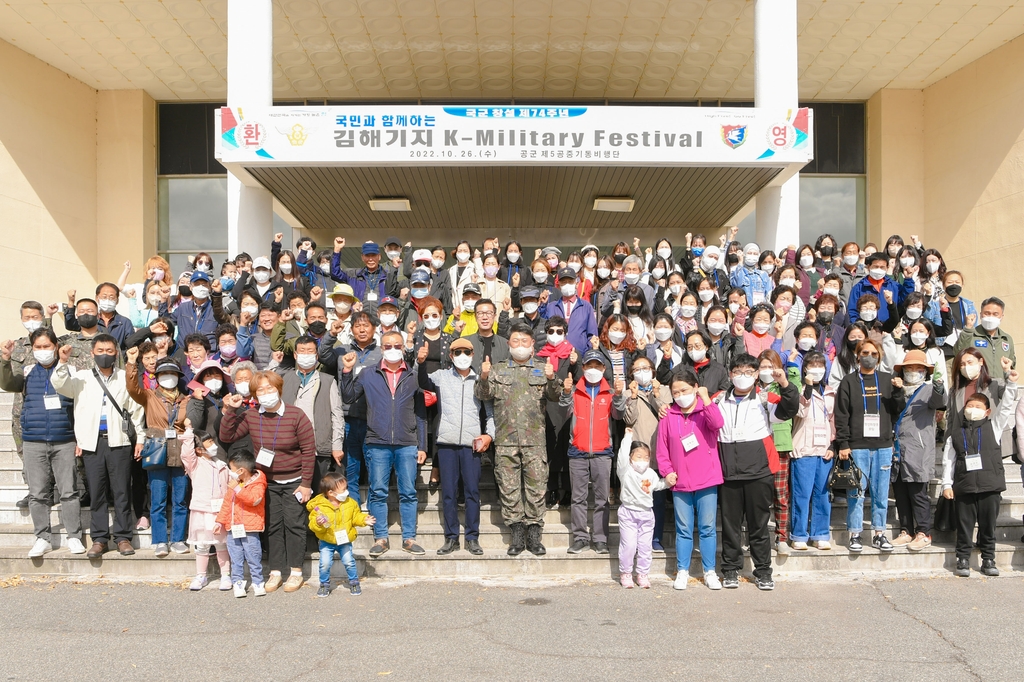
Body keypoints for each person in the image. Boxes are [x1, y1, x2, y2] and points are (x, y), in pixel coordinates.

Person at [220, 370, 317, 593]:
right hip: (265, 482)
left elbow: (308, 451)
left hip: (294, 480)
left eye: (269, 388)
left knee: (294, 525)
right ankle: (275, 572)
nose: (266, 393)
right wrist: (231, 411)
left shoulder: (296, 414)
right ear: (254, 394)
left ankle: (295, 572)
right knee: (272, 526)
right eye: (260, 390)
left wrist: (305, 483)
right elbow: (228, 436)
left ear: (279, 390)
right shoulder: (252, 415)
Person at [51, 334, 145, 559]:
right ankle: (100, 539)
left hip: (119, 441)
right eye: (100, 351)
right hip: (92, 443)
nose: (105, 355)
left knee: (122, 491)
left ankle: (123, 537)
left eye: (110, 351)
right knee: (97, 493)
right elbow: (60, 385)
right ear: (92, 353)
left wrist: (140, 438)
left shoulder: (125, 377)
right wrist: (62, 362)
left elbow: (136, 409)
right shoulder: (81, 377)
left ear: (116, 353)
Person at [714, 353, 799, 591]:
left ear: (756, 375)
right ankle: (730, 570)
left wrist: (784, 384)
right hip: (728, 473)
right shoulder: (718, 399)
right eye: (738, 372)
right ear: (730, 374)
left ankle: (763, 572)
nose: (743, 377)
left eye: (749, 372)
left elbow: (789, 408)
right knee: (730, 526)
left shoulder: (765, 398)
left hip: (759, 472)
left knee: (759, 526)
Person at [339, 330, 427, 558]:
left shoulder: (413, 375)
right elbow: (348, 397)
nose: (393, 349)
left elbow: (420, 413)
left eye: (397, 345)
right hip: (377, 441)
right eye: (388, 346)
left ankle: (409, 538)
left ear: (403, 347)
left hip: (407, 441)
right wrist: (347, 371)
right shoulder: (369, 373)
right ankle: (381, 538)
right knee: (378, 492)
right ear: (381, 347)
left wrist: (423, 445)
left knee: (408, 491)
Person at [475, 323, 561, 555]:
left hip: (535, 441)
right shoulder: (497, 369)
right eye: (515, 341)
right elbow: (483, 395)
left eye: (525, 341)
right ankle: (516, 533)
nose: (520, 345)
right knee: (509, 488)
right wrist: (484, 376)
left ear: (532, 344)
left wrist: (552, 379)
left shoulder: (543, 369)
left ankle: (534, 533)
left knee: (536, 488)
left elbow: (557, 396)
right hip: (506, 440)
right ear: (509, 344)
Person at [0, 328, 85, 557]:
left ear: (55, 346)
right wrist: (5, 359)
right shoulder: (27, 371)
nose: (42, 351)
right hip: (33, 440)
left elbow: (80, 405)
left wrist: (79, 437)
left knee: (68, 491)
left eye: (46, 346)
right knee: (37, 493)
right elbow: (8, 384)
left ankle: (74, 536)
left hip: (64, 439)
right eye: (38, 347)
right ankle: (42, 537)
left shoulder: (70, 369)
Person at [417, 337, 495, 556]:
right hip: (447, 443)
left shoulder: (480, 379)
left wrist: (489, 435)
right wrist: (421, 362)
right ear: (450, 356)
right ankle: (451, 537)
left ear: (473, 355)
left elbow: (490, 411)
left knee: (471, 492)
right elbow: (422, 381)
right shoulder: (441, 376)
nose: (462, 356)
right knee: (449, 493)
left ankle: (472, 537)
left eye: (467, 352)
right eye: (457, 352)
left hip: (472, 445)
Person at [942, 373, 1018, 578]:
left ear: (987, 411)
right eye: (970, 406)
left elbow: (1007, 407)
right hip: (964, 486)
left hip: (989, 486)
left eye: (978, 407)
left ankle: (988, 559)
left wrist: (1011, 383)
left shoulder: (993, 426)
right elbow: (948, 461)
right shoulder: (955, 434)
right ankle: (963, 558)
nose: (972, 409)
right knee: (964, 526)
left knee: (988, 526)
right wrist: (946, 484)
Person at [656, 368, 725, 590]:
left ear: (695, 387)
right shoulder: (668, 416)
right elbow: (662, 449)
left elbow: (717, 424)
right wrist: (667, 471)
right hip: (680, 482)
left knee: (707, 528)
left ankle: (710, 571)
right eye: (675, 392)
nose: (679, 395)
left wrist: (706, 399)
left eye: (684, 390)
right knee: (683, 529)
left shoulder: (706, 410)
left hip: (707, 479)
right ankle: (682, 570)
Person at [834, 338, 905, 553]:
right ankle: (855, 533)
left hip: (883, 445)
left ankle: (879, 533)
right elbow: (841, 414)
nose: (870, 356)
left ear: (879, 357)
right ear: (857, 355)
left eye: (874, 354)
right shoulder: (848, 381)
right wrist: (843, 443)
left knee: (880, 491)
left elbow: (897, 409)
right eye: (865, 352)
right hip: (857, 446)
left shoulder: (888, 379)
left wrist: (899, 392)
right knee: (856, 492)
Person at [561, 350, 628, 555]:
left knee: (602, 499)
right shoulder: (574, 391)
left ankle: (600, 538)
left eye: (597, 366)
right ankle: (580, 537)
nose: (593, 370)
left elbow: (619, 414)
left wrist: (618, 395)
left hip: (602, 452)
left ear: (603, 369)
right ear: (583, 369)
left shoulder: (609, 392)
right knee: (578, 498)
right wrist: (565, 392)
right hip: (578, 452)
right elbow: (564, 408)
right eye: (589, 366)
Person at [125, 350, 191, 557]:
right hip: (157, 448)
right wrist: (131, 363)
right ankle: (160, 540)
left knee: (180, 499)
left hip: (180, 451)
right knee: (158, 498)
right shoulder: (149, 395)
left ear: (178, 377)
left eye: (172, 374)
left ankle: (179, 538)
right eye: (163, 374)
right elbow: (132, 387)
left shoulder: (187, 400)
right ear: (158, 377)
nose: (168, 378)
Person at [890, 350, 946, 551]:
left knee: (918, 493)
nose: (913, 372)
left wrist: (939, 387)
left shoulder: (929, 390)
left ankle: (923, 532)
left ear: (926, 372)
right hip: (898, 448)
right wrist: (897, 390)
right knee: (900, 492)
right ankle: (906, 530)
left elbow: (940, 403)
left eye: (918, 368)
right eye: (909, 368)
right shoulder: (897, 388)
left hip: (919, 448)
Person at [282, 336, 345, 494]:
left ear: (316, 356)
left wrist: (337, 446)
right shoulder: (285, 379)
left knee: (319, 494)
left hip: (318, 447)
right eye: (302, 351)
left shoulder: (328, 380)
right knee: (295, 495)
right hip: (291, 449)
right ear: (295, 355)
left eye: (310, 351)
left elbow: (337, 415)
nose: (306, 354)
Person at [623, 355, 672, 551]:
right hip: (639, 454)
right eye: (637, 369)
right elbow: (628, 419)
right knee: (637, 499)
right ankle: (636, 539)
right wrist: (634, 397)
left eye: (646, 367)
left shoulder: (666, 390)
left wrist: (657, 394)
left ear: (653, 370)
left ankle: (656, 537)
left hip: (661, 451)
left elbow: (667, 413)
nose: (642, 372)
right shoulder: (628, 393)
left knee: (658, 500)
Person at [788, 351, 836, 551]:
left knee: (822, 494)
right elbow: (800, 411)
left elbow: (833, 420)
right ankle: (799, 534)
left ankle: (820, 533)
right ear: (805, 368)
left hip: (824, 449)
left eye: (820, 365)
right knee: (802, 493)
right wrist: (807, 386)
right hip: (803, 448)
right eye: (812, 365)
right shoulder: (797, 389)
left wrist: (833, 445)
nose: (817, 369)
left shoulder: (831, 391)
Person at [331, 312, 381, 502]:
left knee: (374, 467)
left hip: (373, 419)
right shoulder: (341, 350)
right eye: (357, 326)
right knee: (351, 467)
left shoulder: (382, 353)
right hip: (348, 418)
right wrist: (331, 335)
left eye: (366, 325)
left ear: (374, 328)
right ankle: (353, 508)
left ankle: (375, 508)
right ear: (351, 329)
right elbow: (324, 355)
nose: (362, 329)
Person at [178, 423, 232, 592]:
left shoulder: (222, 465)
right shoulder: (195, 464)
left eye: (211, 441)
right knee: (202, 545)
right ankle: (201, 575)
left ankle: (226, 575)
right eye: (208, 443)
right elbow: (187, 453)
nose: (213, 445)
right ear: (199, 450)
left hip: (220, 512)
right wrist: (188, 431)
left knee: (222, 544)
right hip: (202, 511)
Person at [307, 471, 374, 597]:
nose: (346, 492)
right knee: (325, 563)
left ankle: (354, 582)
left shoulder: (350, 503)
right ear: (331, 493)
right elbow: (313, 526)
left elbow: (356, 517)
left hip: (344, 539)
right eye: (343, 490)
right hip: (327, 540)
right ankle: (324, 584)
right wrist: (318, 523)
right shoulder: (319, 507)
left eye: (346, 488)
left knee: (349, 561)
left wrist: (364, 520)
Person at [535, 316, 578, 509]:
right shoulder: (539, 356)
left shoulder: (572, 354)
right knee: (549, 447)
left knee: (566, 447)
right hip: (546, 406)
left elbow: (580, 379)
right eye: (551, 331)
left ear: (565, 333)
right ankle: (551, 488)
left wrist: (575, 365)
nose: (555, 335)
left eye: (559, 332)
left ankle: (568, 489)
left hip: (567, 406)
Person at [616, 429, 667, 589]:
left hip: (646, 514)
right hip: (628, 513)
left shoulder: (651, 473)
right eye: (639, 456)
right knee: (629, 545)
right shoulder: (626, 472)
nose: (643, 460)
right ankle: (626, 573)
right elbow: (622, 456)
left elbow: (658, 485)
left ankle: (643, 574)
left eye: (646, 457)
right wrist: (627, 437)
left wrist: (668, 482)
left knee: (645, 546)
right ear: (631, 458)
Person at [214, 450, 267, 597]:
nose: (230, 473)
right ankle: (237, 582)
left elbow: (254, 499)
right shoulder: (234, 485)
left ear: (241, 470)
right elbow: (226, 504)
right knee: (235, 557)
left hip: (250, 528)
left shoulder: (258, 483)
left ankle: (258, 582)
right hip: (233, 527)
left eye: (232, 469)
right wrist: (219, 521)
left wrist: (237, 489)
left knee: (253, 556)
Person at [545, 267, 598, 353]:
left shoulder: (586, 306)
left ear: (576, 284)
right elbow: (543, 329)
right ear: (558, 285)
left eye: (570, 282)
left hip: (580, 356)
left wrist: (587, 353)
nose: (567, 284)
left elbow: (592, 334)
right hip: (556, 355)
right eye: (564, 282)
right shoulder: (551, 306)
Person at [954, 297, 1015, 371]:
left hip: (1000, 382)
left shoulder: (1006, 339)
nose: (990, 317)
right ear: (980, 315)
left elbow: (1012, 364)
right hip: (978, 381)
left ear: (1002, 317)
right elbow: (958, 354)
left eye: (995, 314)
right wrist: (968, 328)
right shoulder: (970, 335)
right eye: (987, 313)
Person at [331, 238, 389, 310]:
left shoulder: (387, 276)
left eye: (373, 255)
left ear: (379, 256)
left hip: (380, 318)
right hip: (359, 318)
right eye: (367, 255)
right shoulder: (354, 275)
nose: (370, 259)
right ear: (362, 257)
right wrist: (337, 250)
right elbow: (335, 274)